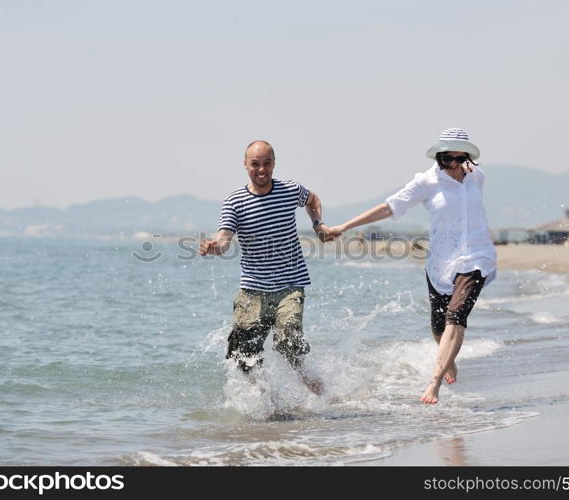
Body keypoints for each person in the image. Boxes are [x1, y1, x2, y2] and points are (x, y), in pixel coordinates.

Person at [327, 128, 497, 404]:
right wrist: (346, 226)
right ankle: (449, 359)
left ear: (467, 157)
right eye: (446, 159)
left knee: (456, 315)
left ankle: (434, 383)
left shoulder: (477, 177)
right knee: (438, 328)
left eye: (458, 158)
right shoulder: (426, 182)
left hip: (477, 256)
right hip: (442, 261)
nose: (453, 165)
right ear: (439, 158)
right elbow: (389, 208)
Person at [199, 140, 339, 395]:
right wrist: (214, 247)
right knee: (244, 356)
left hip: (289, 286)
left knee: (289, 343)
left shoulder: (289, 190)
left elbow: (313, 198)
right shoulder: (235, 201)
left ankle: (323, 395)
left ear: (274, 164)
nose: (261, 170)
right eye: (255, 164)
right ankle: (265, 405)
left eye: (266, 164)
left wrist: (318, 224)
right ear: (245, 165)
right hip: (252, 290)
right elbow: (224, 239)